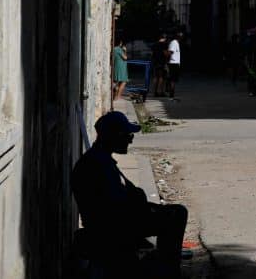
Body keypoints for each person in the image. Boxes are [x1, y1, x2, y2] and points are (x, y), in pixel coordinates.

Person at [72, 111, 188, 278]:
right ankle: (168, 269)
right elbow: (116, 207)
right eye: (127, 135)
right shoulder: (99, 165)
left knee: (173, 212)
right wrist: (144, 208)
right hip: (111, 227)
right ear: (115, 136)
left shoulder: (100, 160)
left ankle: (164, 266)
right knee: (176, 214)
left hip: (111, 222)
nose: (130, 139)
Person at [166, 32, 182, 99]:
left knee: (172, 79)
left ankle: (170, 92)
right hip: (173, 63)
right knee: (172, 79)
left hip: (175, 63)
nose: (181, 38)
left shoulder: (176, 43)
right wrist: (166, 61)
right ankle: (171, 93)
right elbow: (170, 52)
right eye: (180, 36)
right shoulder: (174, 42)